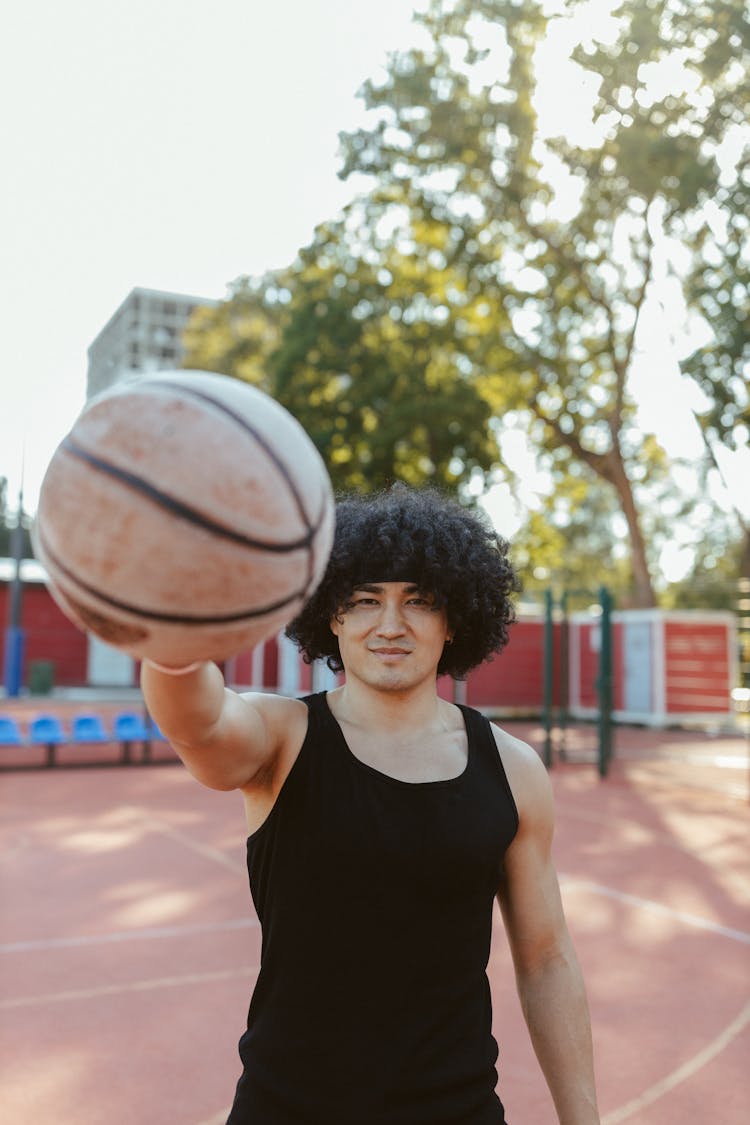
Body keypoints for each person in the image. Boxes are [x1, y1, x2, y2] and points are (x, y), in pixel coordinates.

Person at [141, 484, 600, 1125]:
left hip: (457, 1110)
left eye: (419, 601)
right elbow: (197, 724)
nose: (391, 625)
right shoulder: (281, 737)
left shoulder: (514, 769)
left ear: (453, 618)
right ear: (331, 615)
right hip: (287, 1109)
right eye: (365, 601)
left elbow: (547, 959)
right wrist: (171, 639)